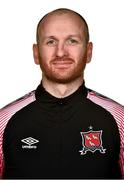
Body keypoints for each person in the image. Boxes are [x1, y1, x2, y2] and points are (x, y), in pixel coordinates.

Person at [0, 8, 124, 179]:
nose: (60, 52)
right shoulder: (3, 121)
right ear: (36, 53)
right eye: (51, 42)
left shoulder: (120, 119)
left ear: (89, 51)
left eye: (72, 41)